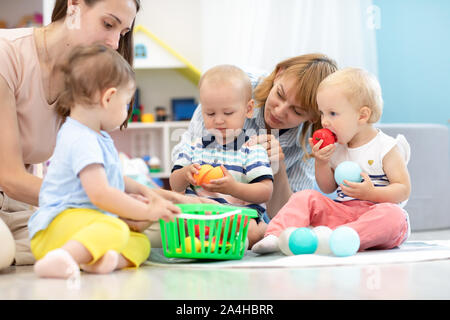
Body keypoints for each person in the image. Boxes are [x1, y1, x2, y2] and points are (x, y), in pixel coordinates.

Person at [0, 0, 206, 270]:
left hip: (21, 207)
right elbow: (11, 178)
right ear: (74, 4)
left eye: (122, 34)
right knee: (6, 250)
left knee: (157, 230)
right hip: (20, 198)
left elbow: (94, 171)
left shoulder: (81, 78)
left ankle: (84, 256)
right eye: (108, 24)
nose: (113, 42)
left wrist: (166, 197)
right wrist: (114, 204)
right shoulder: (7, 53)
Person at [29, 44, 183, 279]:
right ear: (108, 97)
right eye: (125, 104)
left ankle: (105, 260)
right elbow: (100, 193)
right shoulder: (80, 138)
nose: (125, 112)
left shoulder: (96, 137)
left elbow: (113, 177)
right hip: (56, 227)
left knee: (140, 242)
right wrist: (147, 211)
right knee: (115, 228)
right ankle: (63, 257)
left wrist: (145, 191)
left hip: (82, 225)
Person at [252, 67, 411, 254]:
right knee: (305, 196)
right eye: (322, 113)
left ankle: (343, 239)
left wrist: (371, 193)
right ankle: (277, 235)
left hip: (375, 215)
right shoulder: (338, 147)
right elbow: (328, 188)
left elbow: (403, 190)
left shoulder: (385, 147)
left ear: (362, 115)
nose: (325, 122)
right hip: (343, 215)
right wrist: (322, 162)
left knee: (394, 216)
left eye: (332, 114)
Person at [172, 54, 338, 221]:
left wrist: (277, 166)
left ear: (314, 117)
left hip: (251, 216)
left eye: (297, 111)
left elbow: (287, 215)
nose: (279, 111)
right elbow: (181, 169)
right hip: (203, 205)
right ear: (278, 74)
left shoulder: (310, 140)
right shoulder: (232, 87)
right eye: (280, 94)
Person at [169, 65, 274, 247]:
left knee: (249, 229)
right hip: (200, 218)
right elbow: (174, 184)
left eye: (227, 113)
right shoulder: (193, 147)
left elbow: (265, 191)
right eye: (210, 113)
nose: (218, 120)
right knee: (175, 219)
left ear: (248, 109)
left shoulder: (252, 150)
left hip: (235, 218)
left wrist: (233, 188)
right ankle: (208, 241)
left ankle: (263, 230)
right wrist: (185, 174)